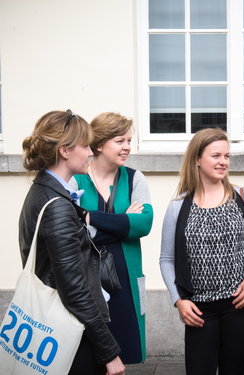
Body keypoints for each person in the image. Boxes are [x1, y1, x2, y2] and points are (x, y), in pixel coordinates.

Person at [18, 110, 125, 375]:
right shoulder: (56, 205)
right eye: (86, 145)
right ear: (65, 151)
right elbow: (74, 288)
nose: (91, 152)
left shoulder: (43, 191)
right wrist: (109, 351)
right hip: (71, 333)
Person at [160, 128, 244, 375]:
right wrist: (178, 300)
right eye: (216, 156)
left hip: (241, 306)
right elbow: (167, 259)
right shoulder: (178, 206)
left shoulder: (243, 196)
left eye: (227, 156)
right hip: (199, 311)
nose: (223, 162)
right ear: (197, 160)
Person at [70, 112, 153, 364]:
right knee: (89, 352)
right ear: (99, 144)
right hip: (87, 278)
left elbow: (144, 224)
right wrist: (123, 222)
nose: (127, 147)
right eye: (120, 141)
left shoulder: (134, 178)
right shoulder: (76, 178)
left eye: (129, 140)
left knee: (123, 351)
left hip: (125, 277)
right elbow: (75, 231)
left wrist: (90, 217)